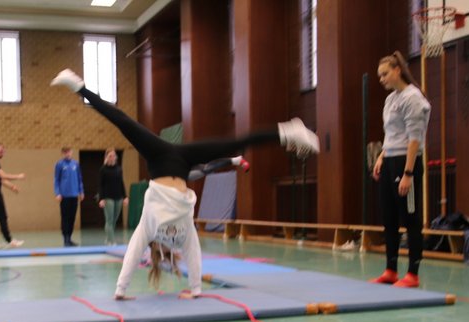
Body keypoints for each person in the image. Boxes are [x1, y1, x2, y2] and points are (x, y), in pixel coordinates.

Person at [50, 69, 319, 299]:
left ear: (159, 249)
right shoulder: (181, 233)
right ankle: (286, 132)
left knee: (121, 120)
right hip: (181, 163)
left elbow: (135, 252)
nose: (169, 248)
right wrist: (195, 289)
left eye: (164, 251)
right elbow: (192, 253)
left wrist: (121, 290)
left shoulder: (149, 229)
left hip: (160, 159)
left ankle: (79, 86)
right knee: (232, 143)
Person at [370, 51, 431, 288]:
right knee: (389, 217)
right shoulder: (390, 99)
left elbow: (414, 139)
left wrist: (407, 173)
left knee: (411, 218)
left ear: (397, 71)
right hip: (390, 161)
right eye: (379, 76)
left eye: (385, 74)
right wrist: (381, 157)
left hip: (407, 162)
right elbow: (392, 135)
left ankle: (413, 274)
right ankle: (391, 270)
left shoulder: (412, 98)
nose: (382, 78)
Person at [0, 143, 26, 249]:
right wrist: (18, 176)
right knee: (2, 217)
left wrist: (12, 187)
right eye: (1, 151)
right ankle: (10, 240)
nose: (2, 153)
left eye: (4, 151)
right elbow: (3, 175)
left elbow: (1, 180)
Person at [54, 146, 84, 246]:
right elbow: (56, 180)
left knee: (72, 217)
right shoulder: (59, 164)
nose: (68, 154)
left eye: (69, 152)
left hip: (74, 195)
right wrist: (57, 193)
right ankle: (65, 238)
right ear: (63, 153)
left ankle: (70, 238)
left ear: (71, 152)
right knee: (65, 217)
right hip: (64, 196)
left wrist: (81, 191)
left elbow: (80, 179)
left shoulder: (76, 164)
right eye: (65, 152)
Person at [98, 148, 128, 245]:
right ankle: (112, 241)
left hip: (118, 197)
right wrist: (101, 198)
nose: (112, 157)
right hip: (108, 197)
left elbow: (121, 183)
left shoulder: (119, 169)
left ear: (116, 157)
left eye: (113, 155)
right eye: (110, 156)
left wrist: (125, 197)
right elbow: (100, 185)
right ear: (106, 157)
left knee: (114, 220)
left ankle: (108, 238)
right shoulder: (103, 169)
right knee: (109, 220)